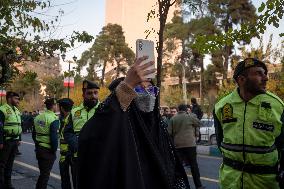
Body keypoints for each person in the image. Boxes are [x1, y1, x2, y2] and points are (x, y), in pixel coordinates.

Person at [77, 56, 190, 189]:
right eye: (139, 89)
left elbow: (173, 172)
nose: (147, 94)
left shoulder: (158, 130)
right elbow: (93, 134)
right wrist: (126, 87)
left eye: (151, 89)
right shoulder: (122, 126)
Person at [213, 58, 284, 189]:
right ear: (241, 80)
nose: (266, 78)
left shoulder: (278, 105)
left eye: (265, 73)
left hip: (265, 182)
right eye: (259, 73)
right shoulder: (222, 106)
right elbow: (220, 140)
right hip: (230, 181)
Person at [64, 80, 100, 188]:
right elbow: (68, 132)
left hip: (99, 158)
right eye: (89, 93)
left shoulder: (104, 109)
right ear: (83, 94)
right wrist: (76, 146)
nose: (93, 96)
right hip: (78, 158)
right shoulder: (74, 112)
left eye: (95, 93)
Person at [168, 104, 204, 189]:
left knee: (178, 166)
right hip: (190, 144)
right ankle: (198, 185)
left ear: (178, 110)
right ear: (186, 110)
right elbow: (199, 123)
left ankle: (178, 185)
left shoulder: (173, 119)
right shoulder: (189, 117)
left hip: (178, 145)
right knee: (193, 165)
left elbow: (169, 132)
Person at [33, 98, 59, 189]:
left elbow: (34, 133)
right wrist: (54, 150)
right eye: (56, 105)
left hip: (39, 147)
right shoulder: (53, 118)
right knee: (45, 175)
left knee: (43, 173)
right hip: (47, 150)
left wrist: (37, 143)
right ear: (54, 106)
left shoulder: (38, 117)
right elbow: (54, 138)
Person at [0, 92, 22, 189]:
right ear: (9, 98)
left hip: (15, 141)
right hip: (6, 140)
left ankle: (8, 184)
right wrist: (0, 142)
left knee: (10, 164)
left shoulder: (16, 110)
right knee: (2, 165)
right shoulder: (2, 109)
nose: (18, 101)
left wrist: (19, 139)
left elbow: (18, 125)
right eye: (16, 98)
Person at [58, 98, 74, 189]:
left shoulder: (69, 119)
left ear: (62, 108)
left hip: (70, 155)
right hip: (65, 155)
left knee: (66, 180)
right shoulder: (63, 119)